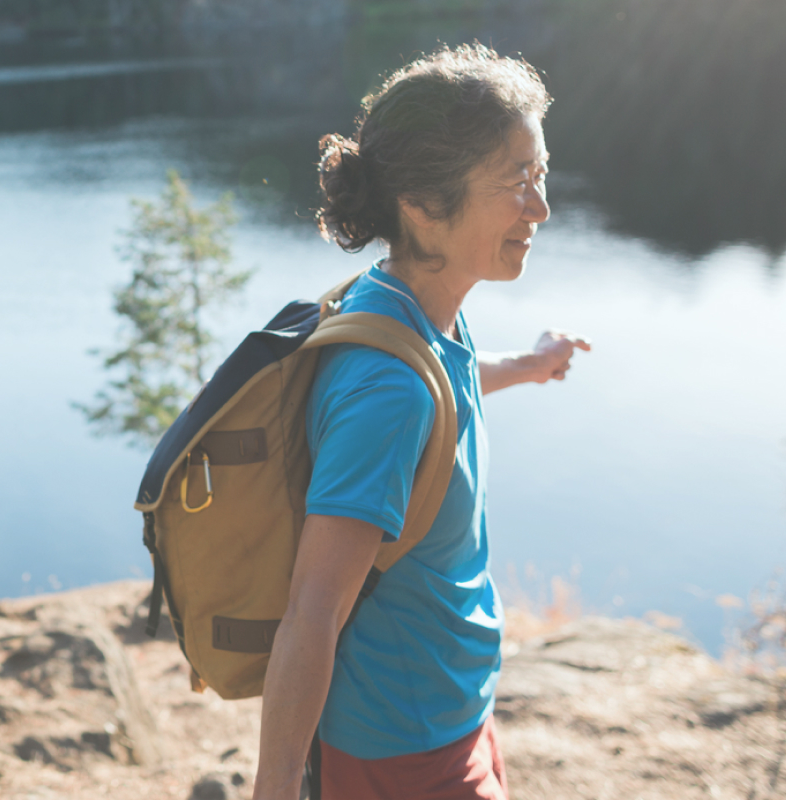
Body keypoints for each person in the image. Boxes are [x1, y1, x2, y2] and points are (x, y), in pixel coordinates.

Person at [251, 44, 589, 800]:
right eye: (515, 183)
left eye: (539, 175)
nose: (540, 207)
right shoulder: (386, 390)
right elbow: (312, 612)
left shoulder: (404, 306)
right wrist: (273, 790)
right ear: (425, 204)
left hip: (450, 713)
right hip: (400, 756)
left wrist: (529, 366)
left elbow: (447, 388)